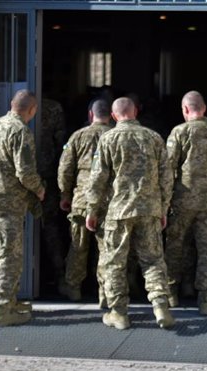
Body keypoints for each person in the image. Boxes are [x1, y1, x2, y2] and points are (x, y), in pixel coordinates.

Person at [85, 97, 175, 330]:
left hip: (119, 211)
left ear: (114, 116)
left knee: (114, 262)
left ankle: (119, 313)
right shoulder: (154, 138)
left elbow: (97, 180)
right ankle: (160, 306)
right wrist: (163, 208)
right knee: (153, 259)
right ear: (135, 112)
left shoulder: (108, 139)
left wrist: (92, 210)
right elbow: (167, 178)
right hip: (150, 210)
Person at [0, 89, 45, 327]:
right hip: (8, 203)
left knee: (7, 252)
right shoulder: (20, 131)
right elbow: (25, 172)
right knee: (9, 256)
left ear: (11, 104)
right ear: (32, 110)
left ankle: (10, 301)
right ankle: (3, 308)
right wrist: (39, 190)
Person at [164, 91, 207, 315]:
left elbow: (168, 169)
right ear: (204, 109)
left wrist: (165, 200)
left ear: (185, 109)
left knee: (175, 247)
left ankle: (171, 294)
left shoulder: (179, 132)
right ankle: (205, 300)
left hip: (182, 201)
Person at [57, 99, 112, 305]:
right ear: (112, 116)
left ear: (90, 114)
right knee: (106, 248)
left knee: (78, 246)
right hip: (108, 201)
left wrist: (65, 195)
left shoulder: (78, 136)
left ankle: (74, 288)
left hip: (81, 200)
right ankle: (105, 292)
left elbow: (65, 169)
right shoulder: (114, 136)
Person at [38, 97, 68, 293]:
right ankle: (60, 276)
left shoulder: (12, 104)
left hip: (31, 179)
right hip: (48, 175)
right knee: (50, 227)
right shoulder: (53, 107)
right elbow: (61, 142)